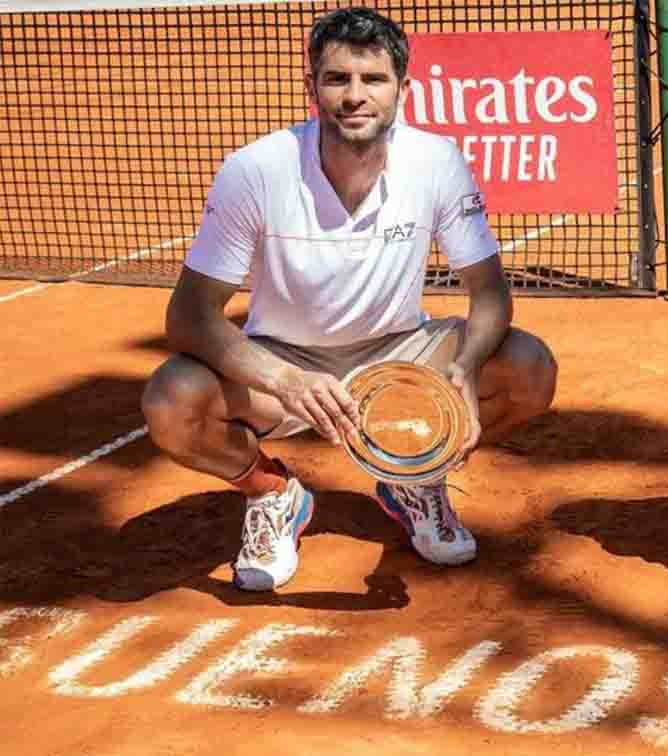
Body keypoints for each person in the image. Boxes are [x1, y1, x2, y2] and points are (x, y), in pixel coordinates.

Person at [141, 7, 557, 592]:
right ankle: (272, 494)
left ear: (402, 90)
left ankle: (415, 476)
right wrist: (285, 379)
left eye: (373, 80)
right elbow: (187, 315)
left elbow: (488, 293)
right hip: (281, 363)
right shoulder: (253, 171)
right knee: (170, 399)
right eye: (338, 79)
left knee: (529, 369)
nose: (355, 96)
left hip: (400, 357)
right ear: (311, 87)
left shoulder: (438, 161)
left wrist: (462, 368)